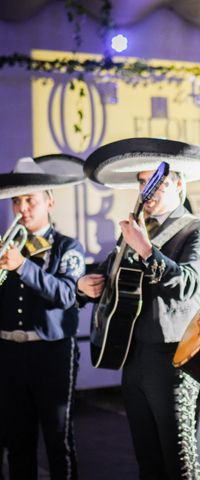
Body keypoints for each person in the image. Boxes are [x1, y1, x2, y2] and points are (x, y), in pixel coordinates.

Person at [77, 138, 200, 479]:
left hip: (173, 357)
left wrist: (147, 251)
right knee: (147, 458)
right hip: (133, 355)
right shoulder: (135, 231)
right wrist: (85, 286)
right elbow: (109, 275)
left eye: (157, 181)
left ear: (179, 183)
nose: (149, 190)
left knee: (179, 458)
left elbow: (188, 284)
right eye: (143, 182)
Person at [0, 155, 85, 479]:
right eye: (17, 201)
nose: (23, 208)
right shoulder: (4, 248)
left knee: (57, 441)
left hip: (51, 354)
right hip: (8, 353)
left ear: (49, 202)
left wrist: (22, 266)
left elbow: (67, 294)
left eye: (30, 200)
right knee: (18, 443)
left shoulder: (67, 247)